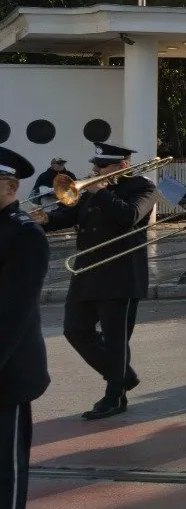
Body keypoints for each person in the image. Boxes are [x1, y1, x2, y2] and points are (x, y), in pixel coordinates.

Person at [34, 141, 155, 420]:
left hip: (121, 273)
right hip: (87, 270)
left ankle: (115, 395)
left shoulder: (144, 188)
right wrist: (45, 220)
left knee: (116, 339)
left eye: (101, 166)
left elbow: (129, 216)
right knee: (75, 330)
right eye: (95, 165)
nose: (95, 169)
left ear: (121, 166)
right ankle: (123, 375)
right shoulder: (91, 190)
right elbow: (70, 213)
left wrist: (99, 191)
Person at [0, 146, 50, 509]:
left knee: (6, 470)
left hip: (7, 372)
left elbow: (13, 313)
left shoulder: (24, 235)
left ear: (12, 187)